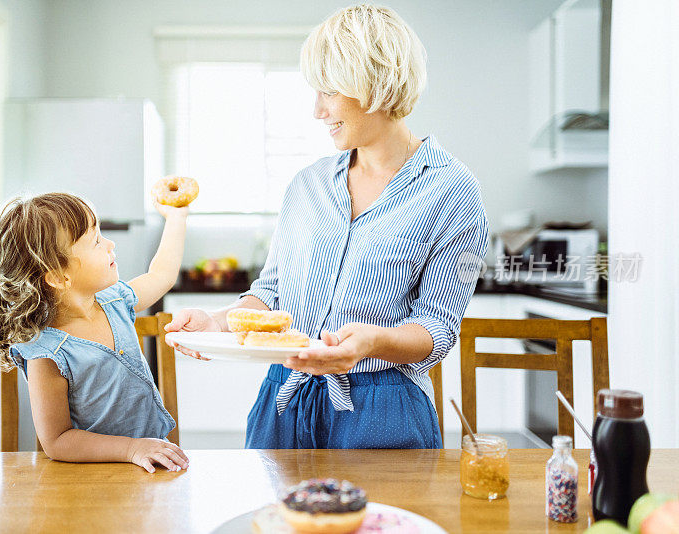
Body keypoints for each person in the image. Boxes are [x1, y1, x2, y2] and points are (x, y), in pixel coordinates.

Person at [166, 4, 489, 450]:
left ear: (376, 84)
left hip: (384, 410)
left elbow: (437, 328)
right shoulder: (308, 185)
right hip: (284, 400)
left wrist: (372, 341)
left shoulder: (453, 190)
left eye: (330, 91)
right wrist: (217, 322)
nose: (318, 110)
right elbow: (273, 292)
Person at [0, 192, 189, 472]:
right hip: (89, 477)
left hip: (149, 465)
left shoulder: (115, 300)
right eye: (96, 241)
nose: (110, 244)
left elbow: (162, 275)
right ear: (58, 276)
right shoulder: (48, 352)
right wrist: (131, 448)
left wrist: (177, 217)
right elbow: (57, 441)